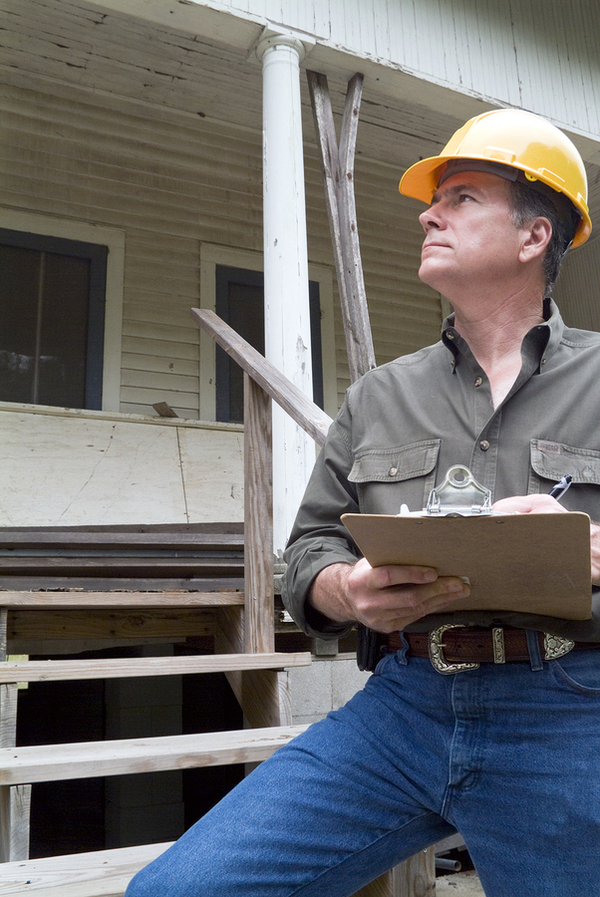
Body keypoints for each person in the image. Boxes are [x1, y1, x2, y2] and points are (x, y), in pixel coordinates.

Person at [125, 109, 600, 897]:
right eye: (434, 198)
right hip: (400, 710)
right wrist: (346, 590)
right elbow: (307, 549)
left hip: (567, 707)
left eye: (463, 196)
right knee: (177, 890)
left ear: (534, 236)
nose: (428, 212)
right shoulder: (381, 394)